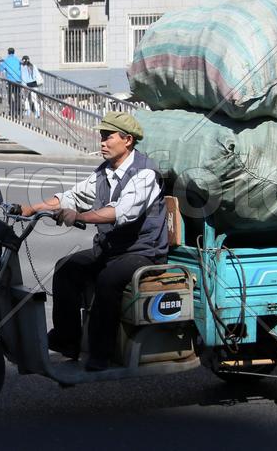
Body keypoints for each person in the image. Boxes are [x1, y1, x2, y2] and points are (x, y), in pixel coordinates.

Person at [17, 112, 168, 371]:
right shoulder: (105, 172)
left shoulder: (145, 173)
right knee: (67, 267)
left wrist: (80, 217)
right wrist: (32, 208)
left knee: (108, 279)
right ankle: (67, 341)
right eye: (101, 137)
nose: (102, 142)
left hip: (143, 251)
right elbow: (72, 196)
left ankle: (101, 352)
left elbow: (121, 211)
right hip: (112, 249)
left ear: (128, 140)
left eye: (108, 137)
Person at [0, 47, 22, 116]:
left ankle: (12, 111)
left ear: (8, 52)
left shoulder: (6, 60)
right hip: (18, 80)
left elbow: (1, 69)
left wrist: (1, 64)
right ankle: (18, 111)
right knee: (17, 96)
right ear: (14, 52)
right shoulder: (17, 60)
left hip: (10, 80)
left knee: (10, 95)